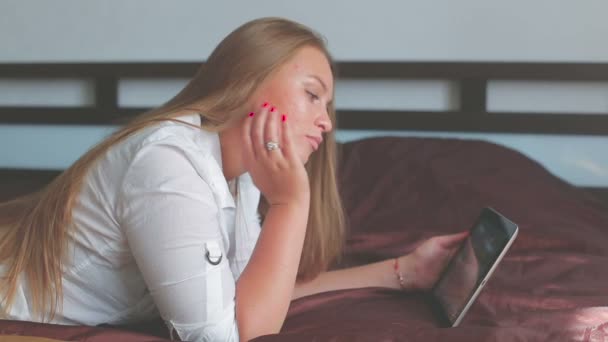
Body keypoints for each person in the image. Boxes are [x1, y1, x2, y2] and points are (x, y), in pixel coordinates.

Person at [0, 17, 468, 342]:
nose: (326, 122)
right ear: (248, 80)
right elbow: (234, 336)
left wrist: (403, 272)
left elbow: (252, 293)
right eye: (312, 95)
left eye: (327, 106)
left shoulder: (237, 176)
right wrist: (291, 204)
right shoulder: (169, 164)